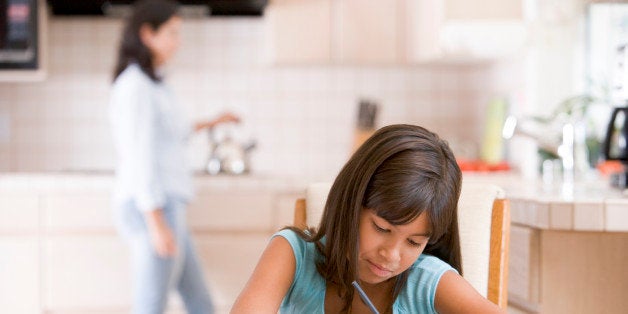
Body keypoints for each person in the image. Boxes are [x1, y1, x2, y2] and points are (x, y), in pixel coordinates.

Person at [231, 124, 505, 313]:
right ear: (351, 203)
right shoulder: (292, 254)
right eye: (382, 228)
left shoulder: (429, 281)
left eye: (414, 242)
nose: (392, 254)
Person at [109, 0, 238, 313]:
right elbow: (138, 155)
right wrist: (155, 221)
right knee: (150, 306)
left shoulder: (155, 84)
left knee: (200, 303)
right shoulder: (135, 87)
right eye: (172, 33)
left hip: (168, 205)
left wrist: (213, 121)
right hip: (154, 206)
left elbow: (174, 130)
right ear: (147, 34)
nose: (178, 42)